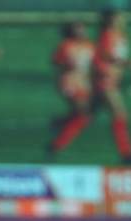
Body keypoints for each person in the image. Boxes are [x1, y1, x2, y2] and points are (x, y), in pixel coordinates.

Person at [48, 21, 96, 156]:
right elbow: (56, 63)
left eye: (82, 29)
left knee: (82, 117)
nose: (81, 32)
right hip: (69, 83)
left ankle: (58, 125)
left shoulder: (89, 45)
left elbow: (93, 64)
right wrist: (66, 68)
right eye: (78, 29)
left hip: (84, 84)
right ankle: (57, 145)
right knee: (83, 114)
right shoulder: (65, 46)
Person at [93, 10, 131, 163]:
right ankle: (126, 154)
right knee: (119, 113)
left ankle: (56, 141)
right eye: (119, 17)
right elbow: (106, 55)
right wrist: (130, 64)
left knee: (86, 114)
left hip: (113, 79)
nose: (123, 20)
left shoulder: (120, 35)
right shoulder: (108, 34)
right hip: (105, 79)